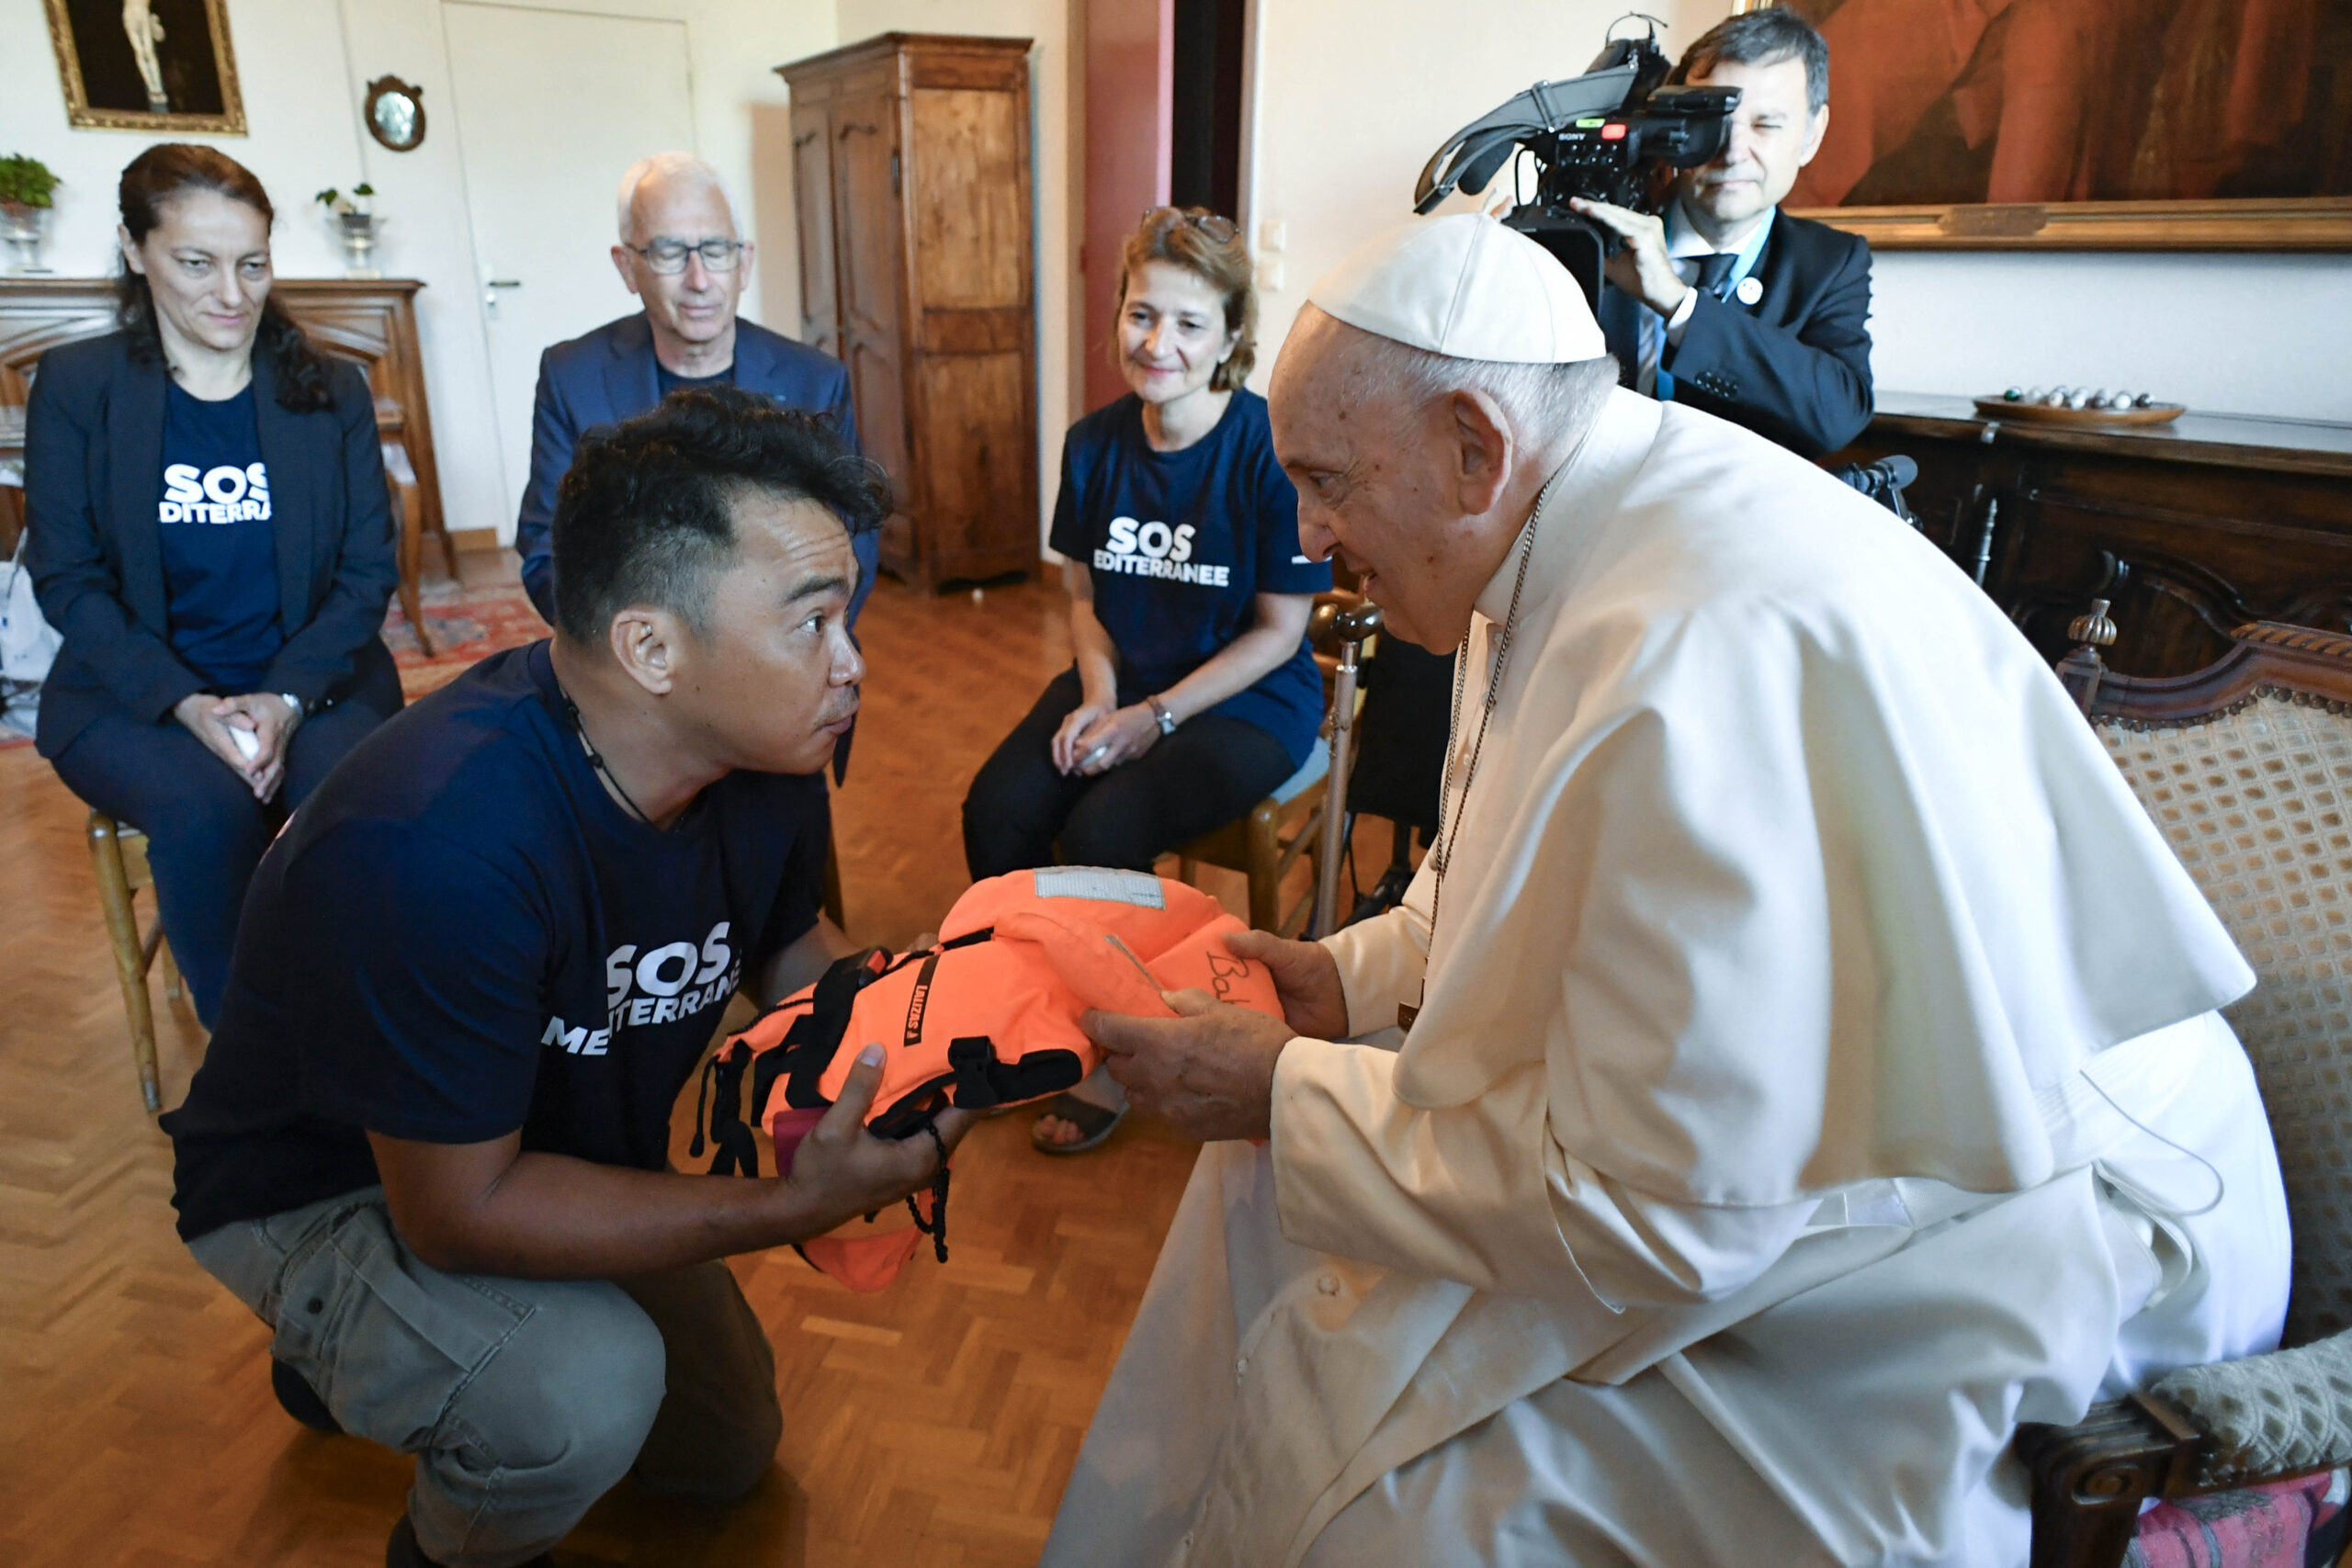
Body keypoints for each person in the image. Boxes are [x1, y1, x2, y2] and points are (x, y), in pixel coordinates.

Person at [1040, 213, 2290, 1567]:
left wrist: (1285, 1092)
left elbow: (1659, 1216)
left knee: (1416, 1520)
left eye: (1327, 479)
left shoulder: (1695, 651)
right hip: (1793, 1146)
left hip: (2002, 1224)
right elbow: (1508, 862)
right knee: (1272, 1213)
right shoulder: (1547, 521)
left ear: (1474, 442)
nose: (1307, 527)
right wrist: (1354, 979)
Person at [159, 388, 968, 1568]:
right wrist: (793, 1204)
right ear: (650, 646)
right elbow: (458, 1215)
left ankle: (347, 1374)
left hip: (534, 1151)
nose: (850, 667)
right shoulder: (436, 844)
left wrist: (932, 1044)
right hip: (330, 1191)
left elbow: (789, 948)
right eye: (811, 623)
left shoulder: (766, 748)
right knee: (579, 1398)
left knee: (721, 1452)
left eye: (847, 617)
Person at [959, 206, 1332, 1154]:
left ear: (1232, 339)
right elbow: (1083, 600)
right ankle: (1035, 1008)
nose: (1157, 342)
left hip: (1248, 698)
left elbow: (1279, 631)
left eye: (1188, 323)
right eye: (1140, 314)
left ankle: (1115, 1056)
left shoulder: (1266, 449)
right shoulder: (1091, 444)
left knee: (1104, 828)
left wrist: (1152, 719)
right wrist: (1096, 698)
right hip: (1123, 677)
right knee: (995, 811)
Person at [24, 143, 402, 1029]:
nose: (231, 293)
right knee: (204, 810)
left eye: (252, 263)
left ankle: (367, 1035)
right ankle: (254, 1071)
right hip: (134, 692)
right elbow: (68, 581)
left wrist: (283, 698)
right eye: (196, 263)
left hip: (315, 679)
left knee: (346, 802)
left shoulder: (330, 388)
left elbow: (363, 574)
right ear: (134, 249)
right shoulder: (78, 388)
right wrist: (190, 705)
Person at [511, 152, 874, 629]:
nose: (699, 280)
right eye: (669, 253)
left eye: (717, 250)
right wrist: (635, 654)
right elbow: (547, 549)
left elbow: (855, 542)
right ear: (627, 267)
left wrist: (787, 644)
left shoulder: (815, 380)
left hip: (791, 653)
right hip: (636, 662)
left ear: (744, 262)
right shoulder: (571, 376)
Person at [1574, 7, 1875, 458]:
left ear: (1812, 134)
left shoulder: (1831, 263)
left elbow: (1838, 414)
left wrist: (1679, 306)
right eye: (1708, 121)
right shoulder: (1595, 232)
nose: (1732, 151)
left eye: (1765, 124)